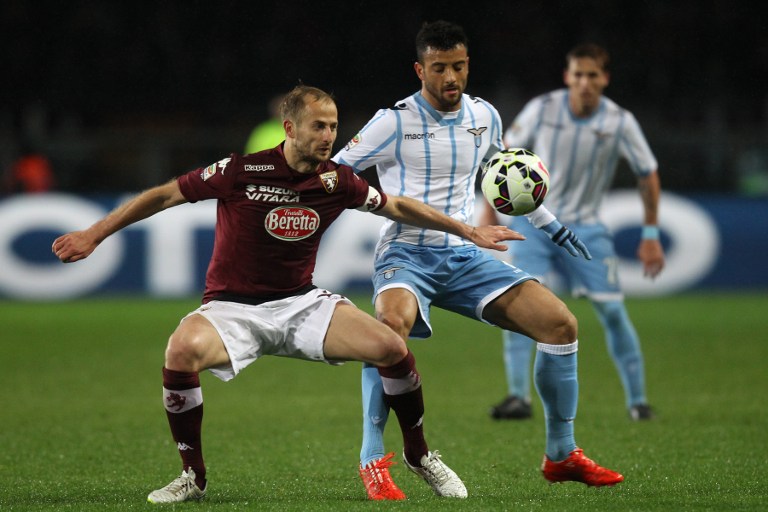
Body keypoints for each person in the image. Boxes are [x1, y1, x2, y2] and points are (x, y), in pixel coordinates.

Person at [51, 85, 520, 504]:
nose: (329, 136)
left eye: (333, 126)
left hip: (300, 303)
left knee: (390, 347)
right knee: (180, 351)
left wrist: (467, 230)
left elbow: (394, 205)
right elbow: (164, 195)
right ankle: (193, 476)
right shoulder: (240, 170)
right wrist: (95, 233)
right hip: (232, 309)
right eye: (319, 126)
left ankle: (418, 455)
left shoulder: (336, 180)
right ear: (290, 128)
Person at [333, 21, 623, 501]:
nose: (450, 77)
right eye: (439, 68)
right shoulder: (393, 121)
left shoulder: (484, 115)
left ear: (468, 64)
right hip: (405, 252)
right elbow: (336, 174)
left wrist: (551, 226)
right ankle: (373, 458)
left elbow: (509, 176)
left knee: (560, 325)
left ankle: (561, 453)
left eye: (458, 66)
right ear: (420, 70)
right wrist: (367, 203)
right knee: (388, 331)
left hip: (465, 254)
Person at [483, 43, 664, 422]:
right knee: (517, 305)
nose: (584, 83)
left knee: (612, 311)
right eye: (578, 75)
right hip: (533, 224)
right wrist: (488, 214)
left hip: (587, 229)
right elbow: (501, 158)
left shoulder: (620, 122)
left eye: (592, 75)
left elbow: (647, 174)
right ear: (567, 76)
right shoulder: (542, 108)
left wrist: (650, 234)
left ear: (605, 79)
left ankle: (638, 401)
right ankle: (518, 397)